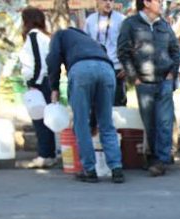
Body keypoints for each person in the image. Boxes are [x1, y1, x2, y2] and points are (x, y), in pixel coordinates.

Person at [47, 27, 124, 183]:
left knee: (81, 123)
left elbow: (53, 59)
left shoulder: (60, 35)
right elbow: (102, 51)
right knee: (106, 122)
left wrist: (54, 87)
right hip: (107, 69)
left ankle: (89, 170)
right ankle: (116, 169)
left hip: (81, 70)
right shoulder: (89, 39)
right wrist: (95, 121)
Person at [118, 0, 180, 177]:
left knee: (165, 122)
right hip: (143, 83)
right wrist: (135, 79)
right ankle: (154, 157)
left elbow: (175, 51)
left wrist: (171, 74)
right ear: (146, 3)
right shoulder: (130, 24)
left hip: (164, 80)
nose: (161, 4)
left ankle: (161, 159)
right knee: (150, 123)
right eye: (158, 1)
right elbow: (123, 52)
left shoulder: (164, 25)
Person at [18, 7, 56, 170]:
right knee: (46, 119)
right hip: (45, 80)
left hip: (39, 82)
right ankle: (49, 154)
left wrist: (34, 83)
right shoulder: (44, 37)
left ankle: (44, 155)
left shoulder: (33, 36)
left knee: (40, 120)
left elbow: (39, 62)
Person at [84, 0, 127, 106]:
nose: (108, 3)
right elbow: (85, 43)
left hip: (116, 67)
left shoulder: (121, 19)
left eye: (111, 1)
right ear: (97, 2)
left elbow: (129, 43)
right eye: (104, 0)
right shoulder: (90, 20)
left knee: (117, 102)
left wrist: (126, 66)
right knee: (97, 102)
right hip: (96, 66)